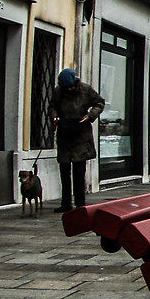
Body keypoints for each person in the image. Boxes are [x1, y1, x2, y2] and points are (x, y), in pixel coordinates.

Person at [51, 68, 105, 215]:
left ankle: (80, 204)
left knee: (79, 172)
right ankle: (66, 203)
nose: (69, 89)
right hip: (64, 132)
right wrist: (55, 117)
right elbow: (53, 107)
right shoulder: (58, 92)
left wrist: (90, 115)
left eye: (71, 86)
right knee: (64, 170)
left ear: (75, 83)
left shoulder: (86, 90)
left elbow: (100, 103)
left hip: (81, 133)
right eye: (66, 87)